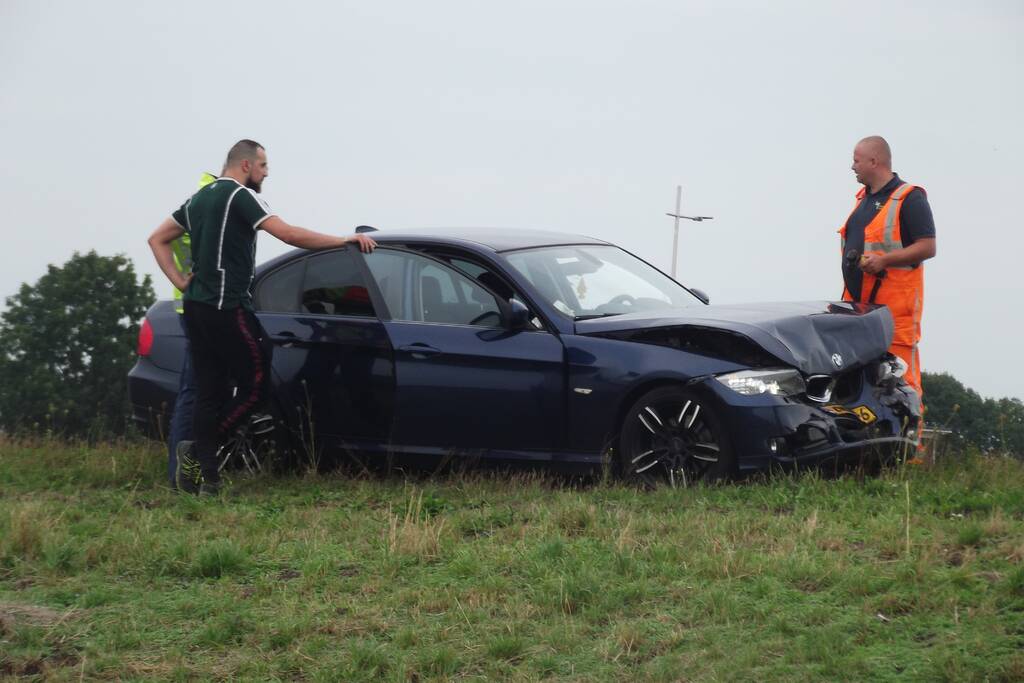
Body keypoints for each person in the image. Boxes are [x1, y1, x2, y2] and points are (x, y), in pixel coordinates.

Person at [148, 140, 377, 495]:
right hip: (228, 308)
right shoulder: (240, 196)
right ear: (244, 165)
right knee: (256, 386)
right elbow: (287, 233)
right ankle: (200, 449)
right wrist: (343, 239)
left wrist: (179, 281)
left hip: (195, 309)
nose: (266, 173)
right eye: (263, 165)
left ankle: (207, 479)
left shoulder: (199, 199)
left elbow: (157, 239)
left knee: (210, 390)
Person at [839, 135, 936, 399]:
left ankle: (909, 441)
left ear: (874, 161)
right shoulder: (863, 199)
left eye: (856, 160)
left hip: (895, 316)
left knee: (902, 386)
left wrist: (884, 261)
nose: (852, 166)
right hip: (859, 312)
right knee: (860, 386)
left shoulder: (909, 198)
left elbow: (928, 247)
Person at [165, 171, 217, 489]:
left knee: (194, 391)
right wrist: (182, 280)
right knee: (194, 393)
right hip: (197, 308)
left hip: (192, 306)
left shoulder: (200, 200)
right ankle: (181, 474)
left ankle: (183, 471)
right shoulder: (207, 204)